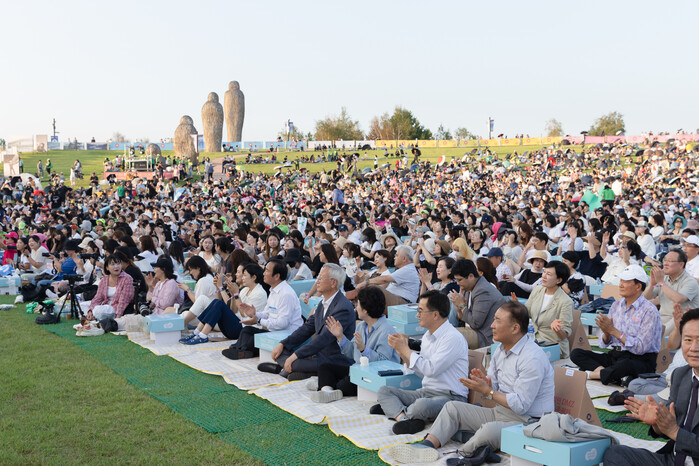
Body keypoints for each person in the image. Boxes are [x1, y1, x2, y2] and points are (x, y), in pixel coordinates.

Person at [386, 301, 555, 464]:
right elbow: (496, 389)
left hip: (528, 422)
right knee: (452, 408)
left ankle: (462, 455)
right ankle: (427, 446)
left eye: (497, 321)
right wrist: (485, 384)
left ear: (515, 328)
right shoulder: (500, 350)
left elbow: (520, 405)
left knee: (487, 431)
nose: (492, 326)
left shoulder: (532, 358)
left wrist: (488, 391)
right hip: (501, 413)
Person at [602, 307, 699, 465]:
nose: (693, 348)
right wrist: (658, 423)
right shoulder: (680, 375)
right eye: (688, 340)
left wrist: (674, 431)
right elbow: (670, 428)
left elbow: (674, 431)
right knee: (615, 453)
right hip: (673, 460)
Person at [373, 290, 469, 435]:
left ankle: (396, 410)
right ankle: (404, 418)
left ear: (435, 315)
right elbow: (422, 373)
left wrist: (405, 349)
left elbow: (431, 370)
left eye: (420, 311)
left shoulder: (452, 337)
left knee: (421, 405)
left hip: (451, 397)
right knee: (384, 391)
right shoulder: (427, 336)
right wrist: (402, 353)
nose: (417, 315)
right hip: (426, 392)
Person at [257, 263, 355, 381]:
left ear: (333, 282)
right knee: (281, 351)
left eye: (321, 278)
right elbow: (307, 328)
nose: (317, 281)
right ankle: (292, 369)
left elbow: (324, 339)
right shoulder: (323, 303)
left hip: (333, 359)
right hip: (317, 355)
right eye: (317, 277)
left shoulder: (342, 307)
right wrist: (282, 344)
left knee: (295, 361)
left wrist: (295, 356)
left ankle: (287, 369)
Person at [571, 264, 662, 385]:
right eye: (621, 281)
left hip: (640, 360)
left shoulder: (649, 310)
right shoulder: (616, 305)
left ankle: (594, 375)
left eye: (626, 281)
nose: (620, 285)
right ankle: (607, 373)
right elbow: (604, 343)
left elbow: (641, 348)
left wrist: (613, 331)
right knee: (576, 354)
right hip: (616, 355)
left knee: (625, 365)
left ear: (638, 286)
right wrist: (606, 333)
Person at [310, 286, 400, 403]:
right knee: (325, 367)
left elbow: (383, 362)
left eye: (358, 304)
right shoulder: (362, 326)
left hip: (376, 377)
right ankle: (326, 390)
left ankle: (325, 385)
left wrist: (363, 349)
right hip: (359, 371)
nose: (356, 307)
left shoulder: (386, 330)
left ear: (365, 310)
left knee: (344, 384)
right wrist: (340, 336)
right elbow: (351, 352)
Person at [223, 259, 303, 359]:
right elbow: (268, 313)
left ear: (276, 276)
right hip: (275, 332)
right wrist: (255, 313)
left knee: (253, 339)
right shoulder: (273, 290)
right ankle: (242, 350)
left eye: (267, 271)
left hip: (286, 335)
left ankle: (241, 350)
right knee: (247, 330)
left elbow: (282, 324)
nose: (263, 273)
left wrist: (259, 320)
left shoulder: (286, 294)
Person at [448, 259, 505, 349]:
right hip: (474, 330)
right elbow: (464, 318)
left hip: (485, 336)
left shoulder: (483, 291)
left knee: (449, 336)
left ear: (471, 276)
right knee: (442, 332)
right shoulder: (468, 288)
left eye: (460, 280)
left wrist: (462, 306)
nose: (458, 283)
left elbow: (475, 323)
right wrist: (459, 310)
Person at [524, 260, 574, 358]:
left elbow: (564, 335)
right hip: (533, 339)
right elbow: (527, 312)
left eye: (549, 274)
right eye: (544, 272)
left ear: (558, 280)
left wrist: (557, 329)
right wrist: (517, 307)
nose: (544, 276)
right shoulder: (537, 290)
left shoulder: (565, 301)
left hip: (552, 344)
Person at [645, 249, 699, 336]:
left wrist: (661, 283)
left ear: (681, 264)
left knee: (656, 335)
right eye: (665, 260)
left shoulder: (690, 282)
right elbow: (646, 298)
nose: (665, 264)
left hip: (681, 319)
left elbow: (678, 299)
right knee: (641, 329)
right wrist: (652, 284)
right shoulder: (664, 278)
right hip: (662, 317)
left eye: (670, 261)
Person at [356, 245, 420, 306]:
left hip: (404, 301)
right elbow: (358, 281)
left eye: (396, 255)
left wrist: (366, 282)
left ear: (404, 258)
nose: (394, 258)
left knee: (374, 291)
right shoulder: (405, 269)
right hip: (396, 299)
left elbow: (385, 279)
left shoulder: (408, 269)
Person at [88, 255, 134, 320]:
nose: (116, 266)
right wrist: (90, 310)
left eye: (118, 264)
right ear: (107, 267)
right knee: (84, 305)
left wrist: (118, 318)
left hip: (116, 309)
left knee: (98, 310)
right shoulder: (104, 280)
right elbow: (98, 298)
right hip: (105, 306)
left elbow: (124, 301)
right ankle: (92, 317)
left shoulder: (127, 279)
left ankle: (96, 318)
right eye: (113, 264)